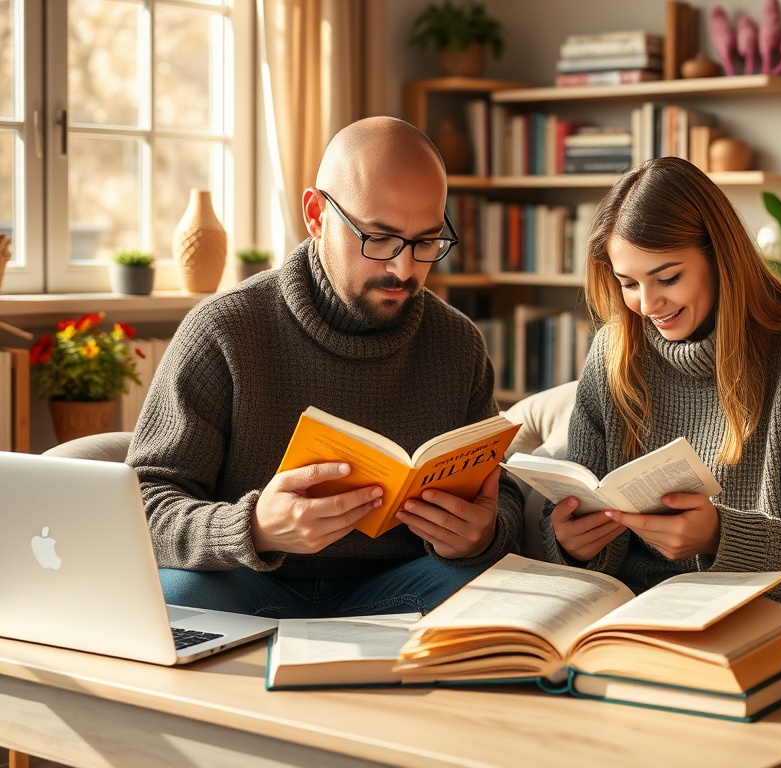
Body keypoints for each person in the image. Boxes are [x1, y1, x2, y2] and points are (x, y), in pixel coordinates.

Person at [127, 116, 522, 619]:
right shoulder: (223, 330)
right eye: (379, 238)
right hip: (248, 586)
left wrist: (481, 533)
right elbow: (143, 505)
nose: (403, 269)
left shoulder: (456, 343)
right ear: (316, 214)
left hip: (398, 589)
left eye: (426, 242)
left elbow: (500, 491)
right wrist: (254, 529)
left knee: (504, 595)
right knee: (179, 595)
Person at [541, 156, 781, 636]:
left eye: (667, 277)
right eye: (628, 283)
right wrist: (575, 542)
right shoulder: (613, 353)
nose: (647, 303)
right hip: (631, 621)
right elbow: (581, 508)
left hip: (764, 626)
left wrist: (720, 535)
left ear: (719, 256)